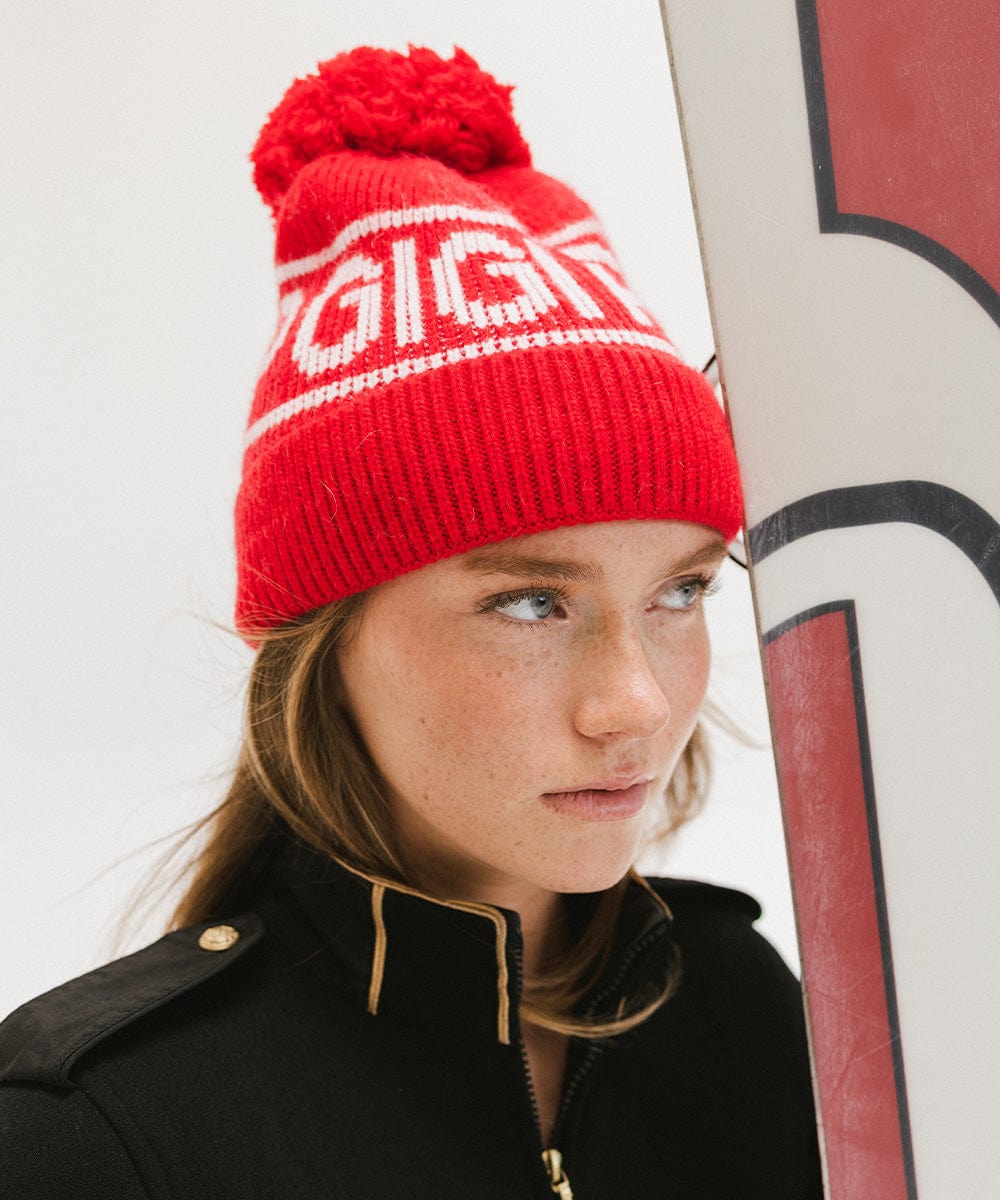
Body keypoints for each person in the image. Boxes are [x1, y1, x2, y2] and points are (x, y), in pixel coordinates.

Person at [0, 46, 822, 1199]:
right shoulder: (90, 1136)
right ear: (317, 641)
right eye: (531, 602)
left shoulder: (740, 1010)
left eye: (680, 590)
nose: (635, 701)